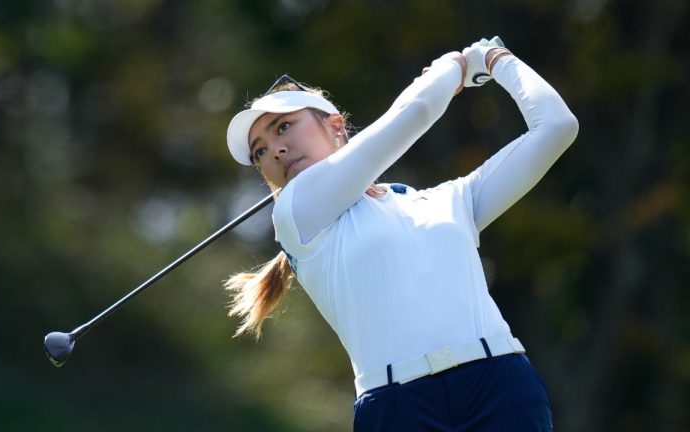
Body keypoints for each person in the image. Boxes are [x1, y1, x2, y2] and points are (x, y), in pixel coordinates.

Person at [224, 36, 578, 431]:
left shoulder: (449, 200)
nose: (274, 151)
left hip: (500, 385)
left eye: (284, 127)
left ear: (336, 126)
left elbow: (557, 126)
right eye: (259, 151)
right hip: (397, 408)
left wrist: (498, 60)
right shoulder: (296, 213)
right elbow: (418, 109)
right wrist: (456, 65)